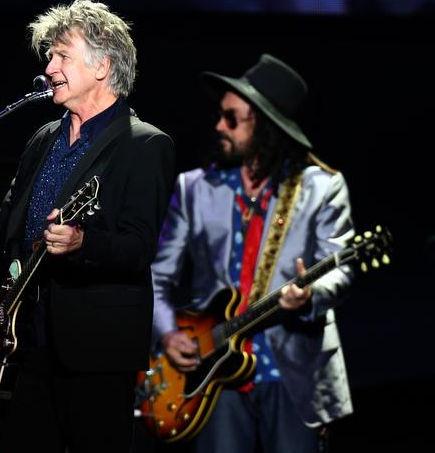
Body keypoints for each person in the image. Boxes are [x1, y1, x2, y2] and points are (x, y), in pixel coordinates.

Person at [0, 0, 175, 453]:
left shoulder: (145, 145)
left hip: (95, 352)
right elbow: (1, 233)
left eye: (61, 56)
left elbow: (138, 249)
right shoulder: (43, 139)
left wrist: (82, 242)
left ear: (102, 66)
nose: (49, 67)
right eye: (50, 56)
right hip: (26, 347)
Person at [149, 54, 354, 452]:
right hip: (211, 378)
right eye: (221, 115)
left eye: (231, 118)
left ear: (264, 125)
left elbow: (341, 270)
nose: (218, 126)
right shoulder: (194, 188)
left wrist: (310, 296)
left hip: (294, 375)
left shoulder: (322, 188)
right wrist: (168, 334)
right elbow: (157, 278)